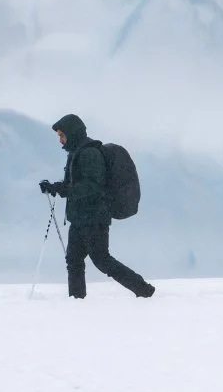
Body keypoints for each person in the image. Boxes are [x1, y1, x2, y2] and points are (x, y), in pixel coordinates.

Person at [39, 114, 155, 299]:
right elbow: (75, 184)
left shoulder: (89, 153)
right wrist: (55, 187)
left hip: (94, 218)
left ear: (72, 133)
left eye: (62, 135)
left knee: (101, 260)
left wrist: (64, 190)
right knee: (74, 261)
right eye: (59, 136)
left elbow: (93, 185)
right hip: (79, 218)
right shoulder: (75, 152)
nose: (60, 141)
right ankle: (76, 301)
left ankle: (143, 289)